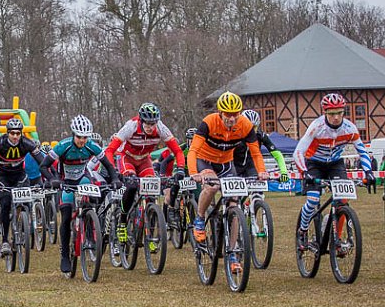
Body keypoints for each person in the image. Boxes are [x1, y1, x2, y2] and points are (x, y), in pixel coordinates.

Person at [188, 92, 268, 274]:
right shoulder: (209, 122)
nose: (231, 118)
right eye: (227, 114)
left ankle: (233, 253)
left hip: (226, 163)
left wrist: (261, 171)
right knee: (212, 185)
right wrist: (194, 173)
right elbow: (193, 150)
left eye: (235, 114)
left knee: (235, 203)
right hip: (205, 161)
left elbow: (255, 152)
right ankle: (199, 219)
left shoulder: (245, 125)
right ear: (220, 113)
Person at [40, 115, 120, 273]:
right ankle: (64, 255)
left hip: (83, 179)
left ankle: (90, 228)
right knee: (66, 214)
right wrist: (52, 180)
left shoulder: (92, 146)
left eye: (85, 137)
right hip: (66, 181)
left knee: (93, 200)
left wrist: (115, 178)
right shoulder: (63, 146)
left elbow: (108, 165)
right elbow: (44, 166)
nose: (82, 140)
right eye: (79, 137)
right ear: (73, 134)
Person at [294, 93, 373, 249]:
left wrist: (368, 172)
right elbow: (298, 152)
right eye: (331, 114)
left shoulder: (350, 128)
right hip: (314, 163)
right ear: (325, 113)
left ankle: (336, 239)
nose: (336, 117)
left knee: (342, 200)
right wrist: (304, 172)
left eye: (339, 113)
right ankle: (302, 231)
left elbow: (362, 151)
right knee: (313, 200)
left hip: (335, 164)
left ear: (343, 112)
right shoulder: (317, 127)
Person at [105, 103, 184, 244]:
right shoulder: (131, 126)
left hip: (144, 160)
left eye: (153, 124)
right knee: (132, 186)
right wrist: (114, 173)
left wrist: (180, 169)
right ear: (141, 120)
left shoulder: (161, 128)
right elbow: (110, 151)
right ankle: (122, 222)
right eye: (147, 123)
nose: (150, 127)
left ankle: (151, 234)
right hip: (126, 157)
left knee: (151, 194)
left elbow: (177, 151)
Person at [0, 117, 45, 256]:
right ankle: (4, 241)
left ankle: (23, 228)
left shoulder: (27, 143)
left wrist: (52, 178)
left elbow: (42, 161)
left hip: (20, 176)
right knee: (5, 203)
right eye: (12, 133)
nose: (15, 136)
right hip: (3, 177)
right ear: (8, 133)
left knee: (26, 203)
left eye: (18, 133)